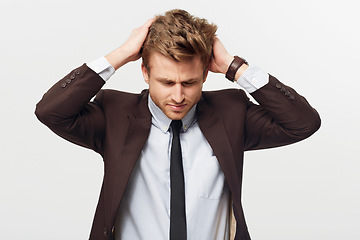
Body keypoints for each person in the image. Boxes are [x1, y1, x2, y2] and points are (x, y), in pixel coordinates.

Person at [35, 9, 321, 240]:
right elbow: (51, 111)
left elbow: (303, 123)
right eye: (167, 82)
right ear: (145, 72)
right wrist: (121, 54)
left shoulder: (231, 114)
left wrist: (234, 67)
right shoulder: (114, 114)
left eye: (190, 82)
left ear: (206, 75)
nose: (178, 96)